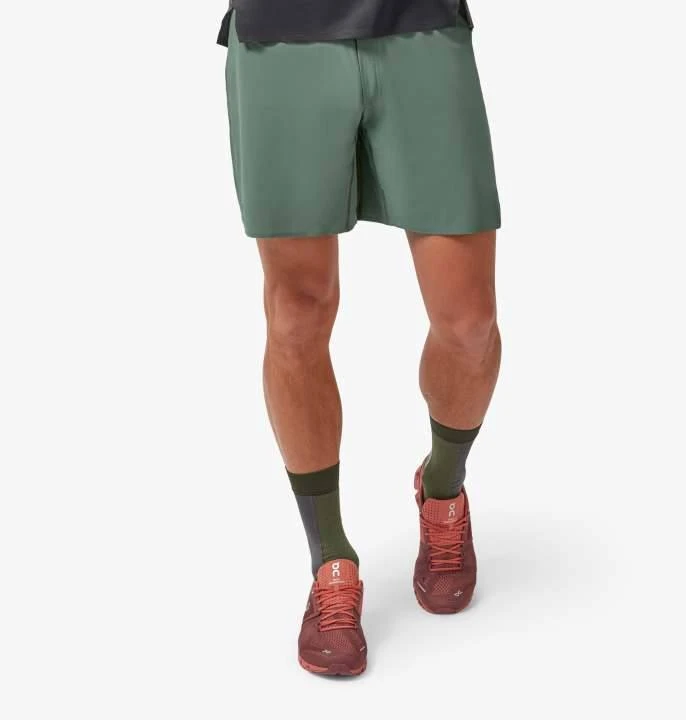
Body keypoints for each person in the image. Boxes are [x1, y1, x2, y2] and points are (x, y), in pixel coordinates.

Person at [217, 0, 501, 677]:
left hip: (420, 23)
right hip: (282, 33)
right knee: (297, 312)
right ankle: (330, 559)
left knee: (468, 322)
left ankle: (442, 486)